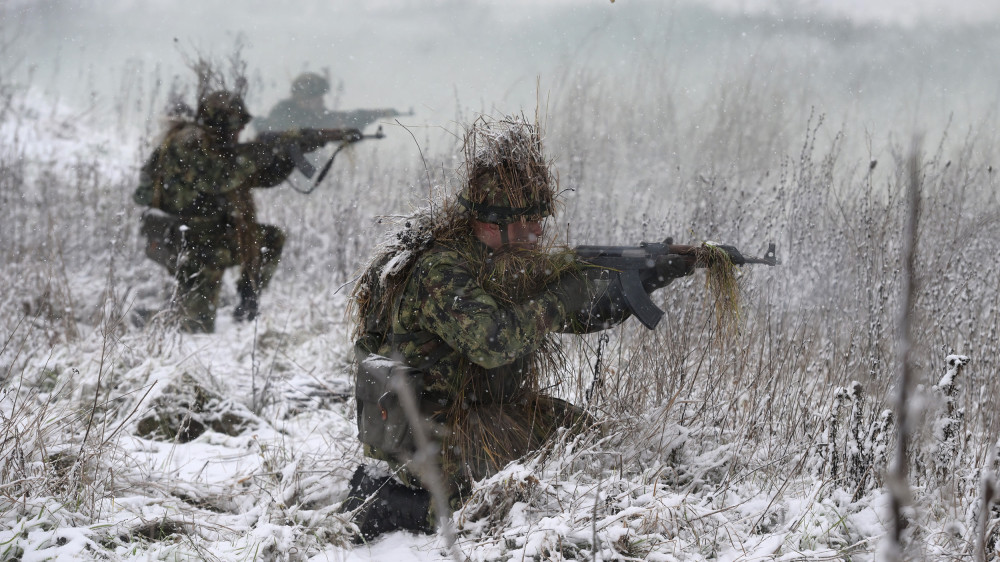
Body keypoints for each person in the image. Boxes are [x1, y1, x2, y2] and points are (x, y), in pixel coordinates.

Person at [343, 114, 697, 540]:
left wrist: (638, 282)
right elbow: (494, 341)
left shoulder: (497, 262)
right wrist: (562, 294)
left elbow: (570, 317)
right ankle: (386, 502)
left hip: (477, 409)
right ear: (492, 223)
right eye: (529, 219)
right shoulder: (441, 271)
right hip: (428, 429)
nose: (539, 230)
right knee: (492, 502)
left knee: (583, 442)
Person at [134, 89, 362, 332]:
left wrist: (288, 156)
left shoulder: (215, 148)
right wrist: (258, 152)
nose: (240, 132)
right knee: (196, 326)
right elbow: (217, 179)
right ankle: (146, 320)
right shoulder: (189, 141)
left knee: (269, 239)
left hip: (206, 237)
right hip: (183, 240)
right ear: (222, 123)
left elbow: (257, 178)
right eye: (236, 126)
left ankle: (247, 303)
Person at [254, 72, 409, 134]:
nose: (322, 100)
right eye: (317, 97)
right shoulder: (283, 113)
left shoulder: (311, 115)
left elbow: (334, 120)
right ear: (304, 98)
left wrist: (366, 116)